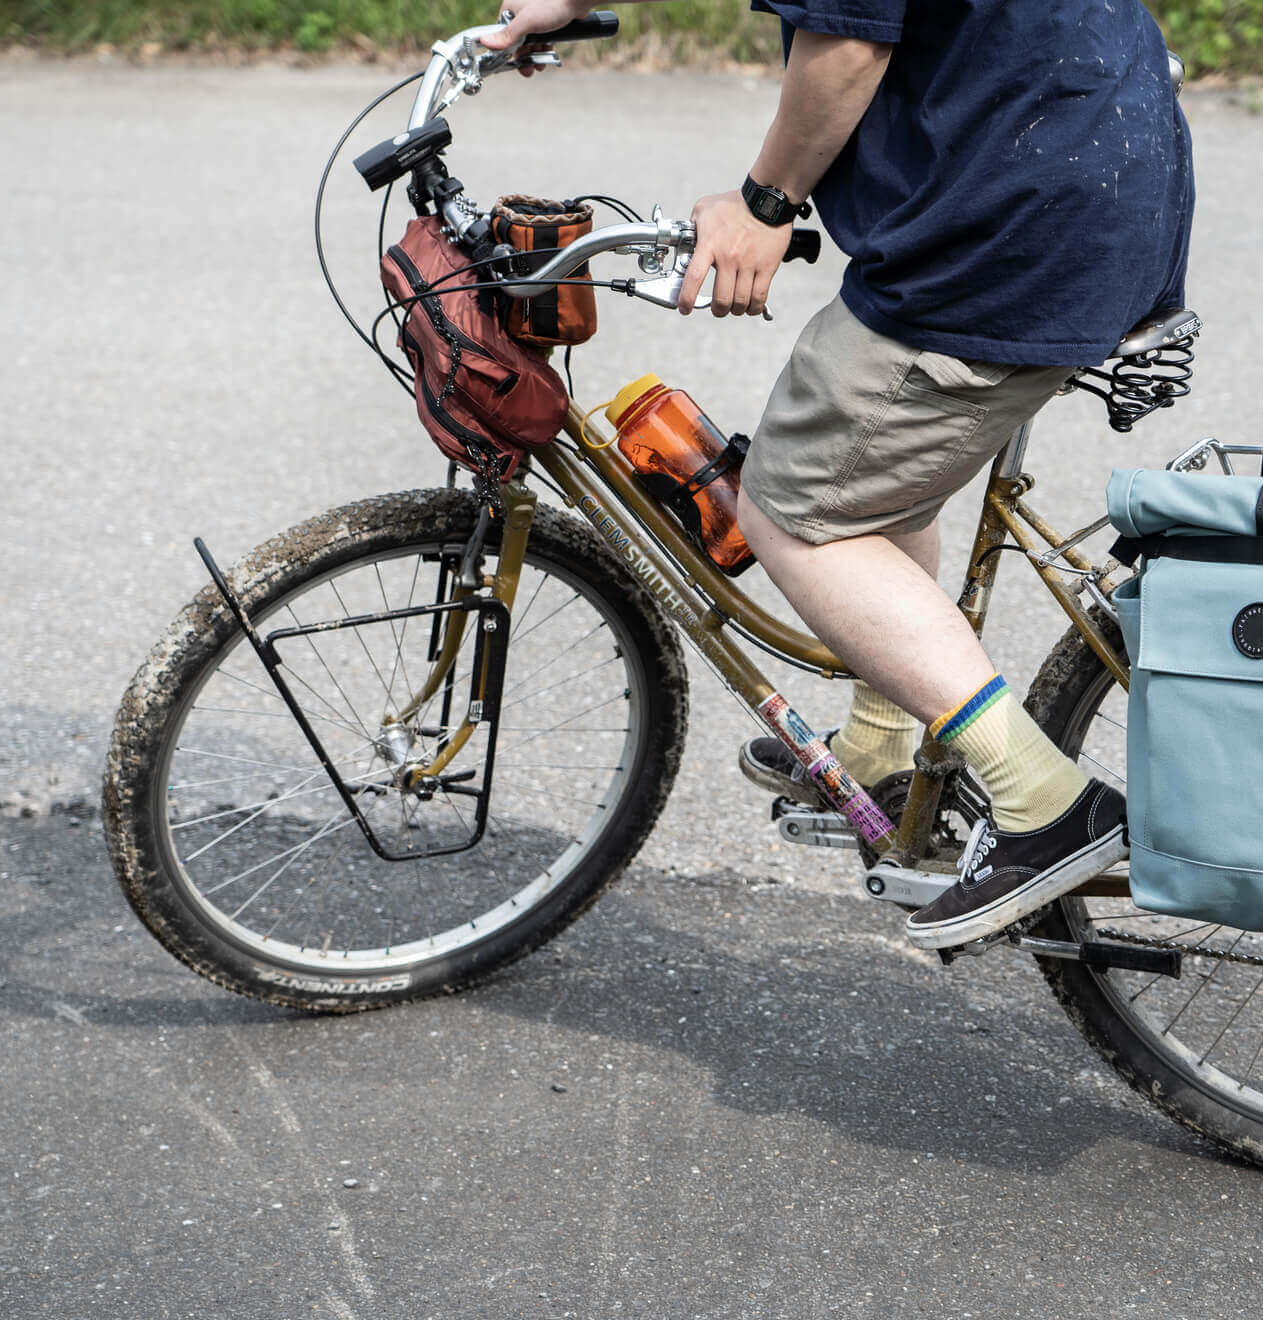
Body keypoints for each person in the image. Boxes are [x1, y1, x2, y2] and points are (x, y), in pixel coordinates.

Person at [485, 0, 1193, 949]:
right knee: (875, 468)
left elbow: (850, 39)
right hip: (1089, 161)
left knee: (796, 513)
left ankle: (1044, 803)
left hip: (1015, 218)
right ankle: (882, 741)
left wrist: (762, 205)